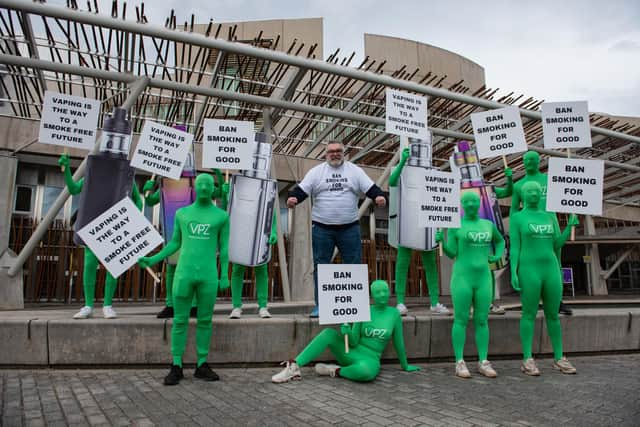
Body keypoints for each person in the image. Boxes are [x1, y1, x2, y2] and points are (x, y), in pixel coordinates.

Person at [139, 173, 230, 385]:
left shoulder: (221, 216)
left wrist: (224, 273)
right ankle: (176, 364)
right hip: (184, 274)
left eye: (209, 184)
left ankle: (202, 364)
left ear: (213, 188)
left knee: (205, 321)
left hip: (208, 276)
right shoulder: (182, 213)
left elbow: (224, 248)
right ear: (195, 188)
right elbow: (174, 243)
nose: (205, 187)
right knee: (180, 320)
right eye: (201, 184)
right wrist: (153, 259)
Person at [287, 141, 386, 317]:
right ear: (326, 154)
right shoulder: (316, 172)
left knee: (354, 266)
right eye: (331, 151)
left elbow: (371, 188)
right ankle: (321, 306)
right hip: (322, 229)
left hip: (349, 228)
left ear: (344, 153)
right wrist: (293, 198)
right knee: (321, 267)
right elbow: (301, 190)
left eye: (338, 151)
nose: (335, 154)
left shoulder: (354, 171)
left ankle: (355, 304)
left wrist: (379, 196)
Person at [271, 280, 420, 383]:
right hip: (351, 351)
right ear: (372, 295)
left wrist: (405, 365)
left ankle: (336, 371)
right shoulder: (364, 309)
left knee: (366, 373)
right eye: (378, 292)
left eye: (385, 291)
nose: (382, 295)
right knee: (329, 333)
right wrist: (347, 332)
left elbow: (399, 343)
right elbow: (354, 341)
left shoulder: (394, 314)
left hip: (370, 359)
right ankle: (294, 367)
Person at [59, 153, 142, 319]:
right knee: (89, 265)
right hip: (93, 227)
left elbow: (138, 202)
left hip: (115, 229)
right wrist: (66, 169)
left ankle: (108, 305)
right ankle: (88, 305)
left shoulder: (126, 178)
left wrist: (129, 220)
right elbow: (74, 189)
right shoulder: (93, 175)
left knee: (113, 267)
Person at [510, 181, 578, 376]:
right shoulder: (517, 218)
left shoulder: (549, 216)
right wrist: (513, 271)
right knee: (529, 313)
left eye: (537, 191)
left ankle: (559, 357)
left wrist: (568, 228)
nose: (533, 194)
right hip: (528, 269)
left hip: (551, 269)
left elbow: (556, 244)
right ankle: (527, 359)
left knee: (553, 314)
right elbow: (515, 247)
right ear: (522, 195)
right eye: (529, 191)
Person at [436, 192, 505, 379]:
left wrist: (498, 255)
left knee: (482, 319)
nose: (472, 204)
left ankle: (483, 361)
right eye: (467, 201)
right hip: (462, 278)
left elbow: (500, 241)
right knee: (461, 319)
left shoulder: (488, 225)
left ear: (479, 203)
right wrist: (441, 240)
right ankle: (459, 361)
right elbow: (451, 253)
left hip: (483, 278)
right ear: (462, 205)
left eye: (474, 201)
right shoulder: (456, 226)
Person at [143, 164, 226, 319]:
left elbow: (219, 193)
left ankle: (194, 306)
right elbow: (150, 201)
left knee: (190, 270)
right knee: (172, 267)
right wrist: (147, 190)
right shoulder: (165, 182)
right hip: (172, 228)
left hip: (194, 232)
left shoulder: (196, 182)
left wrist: (218, 174)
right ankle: (170, 305)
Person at [511, 150, 572, 316]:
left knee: (556, 262)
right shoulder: (518, 185)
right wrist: (514, 227)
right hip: (529, 228)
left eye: (532, 160)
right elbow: (514, 209)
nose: (529, 163)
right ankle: (532, 297)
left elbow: (567, 195)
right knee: (528, 263)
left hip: (550, 225)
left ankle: (557, 300)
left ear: (539, 161)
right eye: (526, 160)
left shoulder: (550, 180)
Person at [390, 147, 449, 316]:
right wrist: (402, 161)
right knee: (402, 264)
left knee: (430, 266)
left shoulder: (433, 172)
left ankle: (434, 302)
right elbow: (392, 182)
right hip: (407, 221)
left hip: (426, 224)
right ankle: (400, 302)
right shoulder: (404, 170)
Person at [229, 211, 278, 319]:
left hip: (259, 233)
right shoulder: (234, 193)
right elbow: (227, 210)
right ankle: (236, 306)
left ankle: (263, 306)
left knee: (261, 269)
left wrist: (273, 230)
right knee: (237, 269)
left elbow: (269, 211)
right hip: (239, 233)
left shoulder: (262, 192)